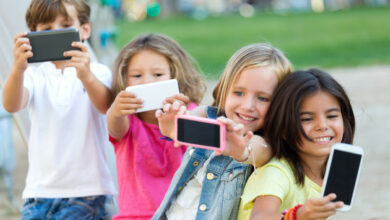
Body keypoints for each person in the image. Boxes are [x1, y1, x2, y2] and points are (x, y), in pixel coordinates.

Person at [1, 0, 116, 219]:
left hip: (87, 192)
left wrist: (86, 76)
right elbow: (12, 104)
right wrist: (17, 69)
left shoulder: (97, 71)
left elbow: (104, 105)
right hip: (38, 192)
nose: (56, 33)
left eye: (65, 25)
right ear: (32, 35)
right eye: (46, 29)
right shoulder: (34, 74)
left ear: (84, 29)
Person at [152, 43, 292, 220]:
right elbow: (183, 125)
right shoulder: (207, 115)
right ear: (225, 90)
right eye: (239, 93)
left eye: (263, 98)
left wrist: (241, 150)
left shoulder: (266, 143)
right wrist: (174, 125)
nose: (248, 106)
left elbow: (256, 150)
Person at [106, 33, 206, 220]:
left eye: (158, 75)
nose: (147, 82)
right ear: (124, 79)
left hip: (182, 215)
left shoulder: (188, 112)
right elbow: (114, 127)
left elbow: (205, 143)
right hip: (135, 216)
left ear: (175, 75)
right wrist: (116, 110)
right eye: (136, 75)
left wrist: (181, 117)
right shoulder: (127, 121)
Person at [237, 68, 356, 220]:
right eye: (307, 119)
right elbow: (260, 217)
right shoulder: (277, 172)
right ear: (283, 128)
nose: (322, 126)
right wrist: (297, 216)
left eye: (332, 116)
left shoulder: (334, 171)